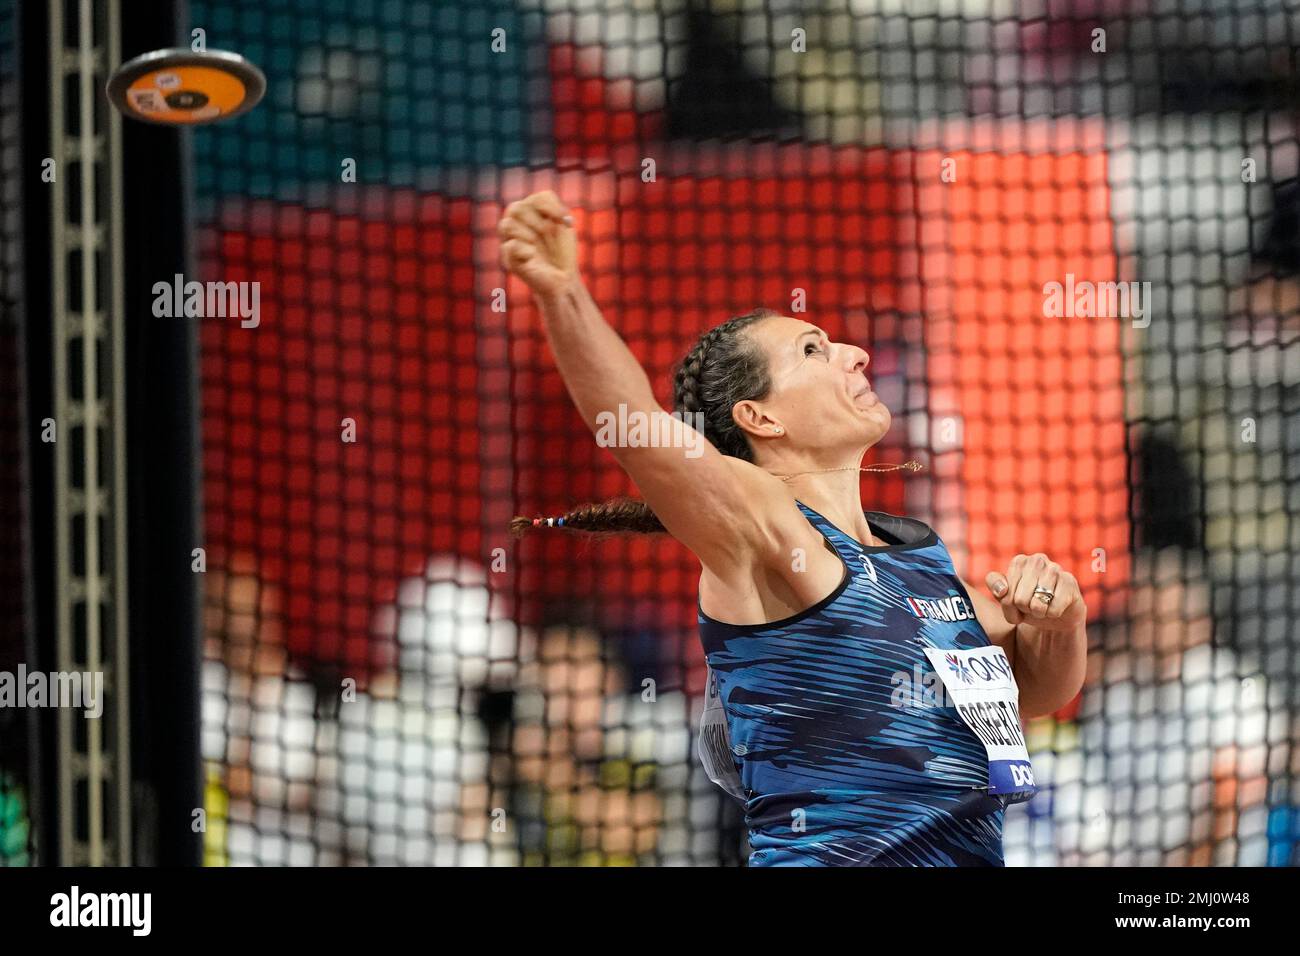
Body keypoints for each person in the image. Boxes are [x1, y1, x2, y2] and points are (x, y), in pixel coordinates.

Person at [499, 190, 1088, 866]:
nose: (856, 354)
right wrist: (560, 291)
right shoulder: (768, 526)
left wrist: (1060, 620)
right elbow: (631, 422)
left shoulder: (917, 554)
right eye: (814, 350)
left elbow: (1037, 690)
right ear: (761, 419)